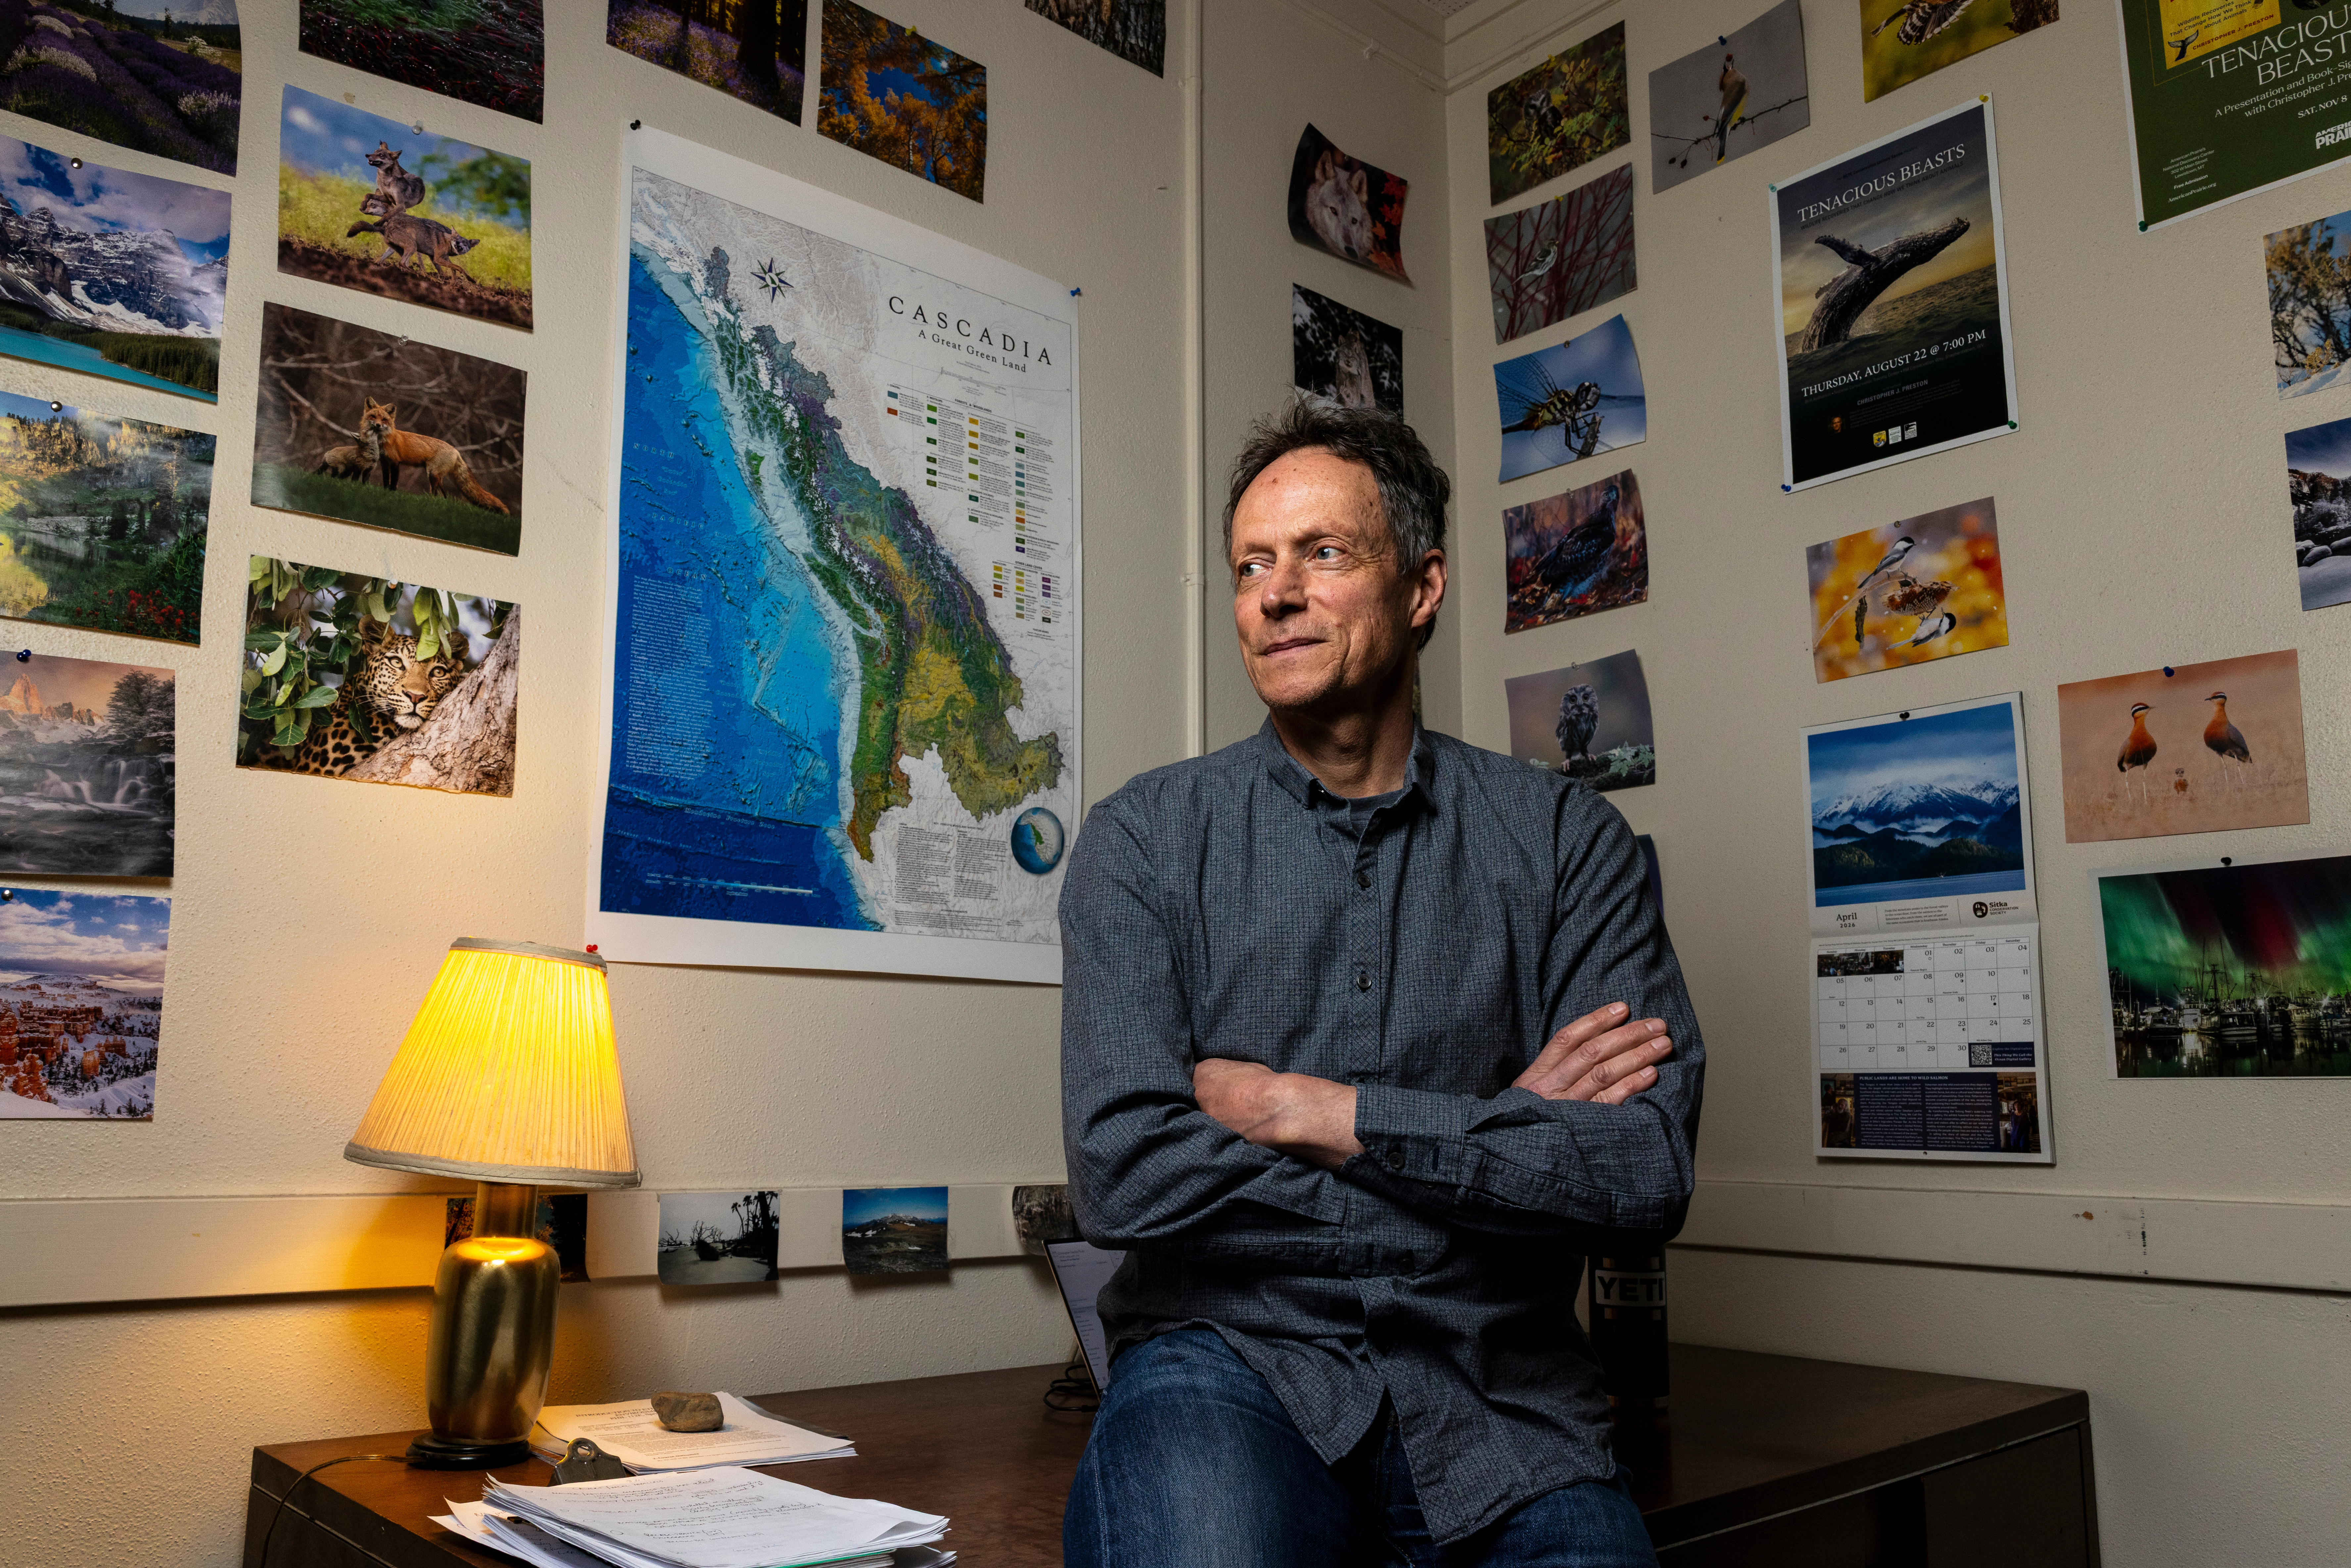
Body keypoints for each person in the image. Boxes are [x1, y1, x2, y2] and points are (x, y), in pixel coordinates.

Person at [1058, 400, 1706, 1567]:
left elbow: (1643, 1174)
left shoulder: (1568, 844)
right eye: (1252, 563)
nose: (1275, 592)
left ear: (1421, 588)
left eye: (1322, 552)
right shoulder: (1144, 841)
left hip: (1499, 1395)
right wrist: (1495, 1145)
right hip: (1227, 1363)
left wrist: (1316, 1114)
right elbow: (1125, 1174)